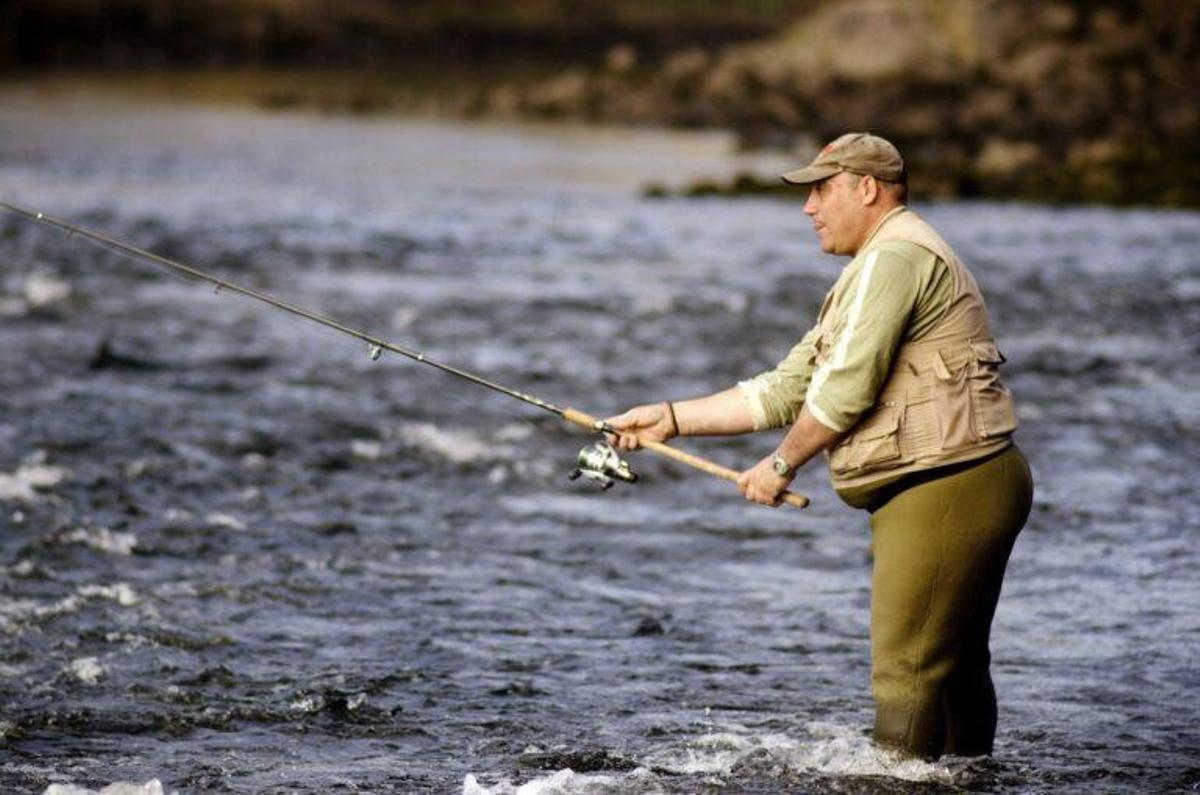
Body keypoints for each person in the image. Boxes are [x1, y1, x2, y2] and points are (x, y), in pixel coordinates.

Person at [606, 132, 1034, 760]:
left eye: (820, 189)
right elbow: (784, 390)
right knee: (953, 667)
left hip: (946, 487)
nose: (808, 207)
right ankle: (969, 778)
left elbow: (845, 391)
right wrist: (668, 419)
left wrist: (781, 464)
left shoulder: (896, 258)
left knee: (907, 672)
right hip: (965, 481)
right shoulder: (871, 269)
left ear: (867, 189)